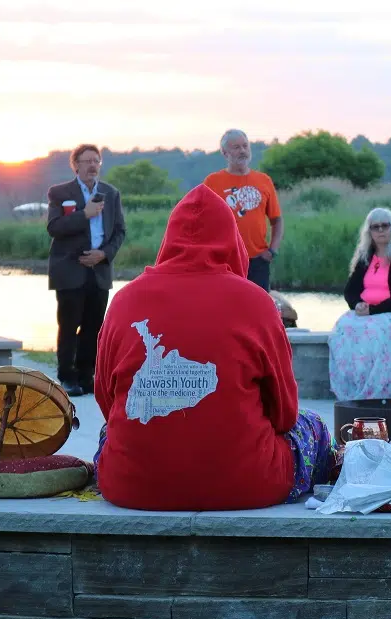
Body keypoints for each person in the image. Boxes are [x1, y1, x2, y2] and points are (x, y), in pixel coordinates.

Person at [93, 185, 331, 511]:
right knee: (313, 427)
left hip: (130, 486)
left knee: (111, 431)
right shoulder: (258, 304)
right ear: (232, 241)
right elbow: (285, 414)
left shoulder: (124, 301)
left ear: (168, 239)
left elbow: (107, 402)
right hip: (250, 485)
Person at [46, 144, 127, 397]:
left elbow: (119, 231)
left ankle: (86, 374)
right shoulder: (60, 192)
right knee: (69, 325)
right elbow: (54, 227)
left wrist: (104, 254)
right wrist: (85, 214)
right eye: (87, 161)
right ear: (76, 165)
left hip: (99, 270)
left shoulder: (111, 193)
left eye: (97, 161)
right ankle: (67, 377)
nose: (93, 165)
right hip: (70, 270)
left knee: (94, 326)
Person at [329, 208, 391, 401]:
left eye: (385, 225)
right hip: (368, 311)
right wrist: (357, 304)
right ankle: (356, 386)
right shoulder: (366, 254)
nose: (381, 230)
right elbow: (351, 289)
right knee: (342, 329)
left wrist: (374, 310)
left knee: (377, 332)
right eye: (376, 227)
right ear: (369, 232)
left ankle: (380, 389)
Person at [203, 129, 284, 292]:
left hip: (257, 260)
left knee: (257, 311)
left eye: (245, 146)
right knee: (226, 308)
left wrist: (272, 251)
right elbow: (201, 221)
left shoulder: (263, 180)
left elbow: (277, 220)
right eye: (236, 147)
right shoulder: (212, 182)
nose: (242, 151)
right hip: (224, 261)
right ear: (225, 153)